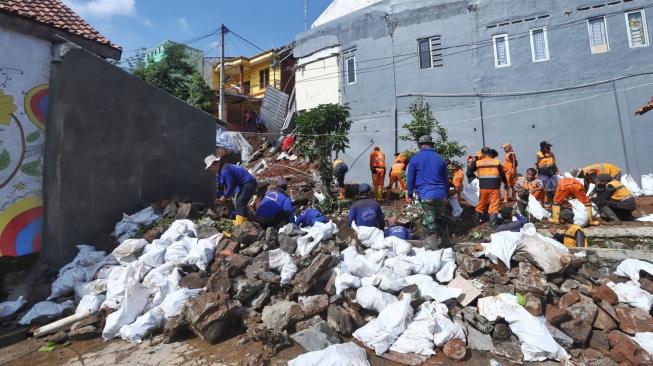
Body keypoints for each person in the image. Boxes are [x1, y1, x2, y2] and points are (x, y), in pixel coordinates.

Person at [407, 135, 450, 248]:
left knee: (429, 222)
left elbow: (410, 178)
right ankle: (446, 244)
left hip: (426, 195)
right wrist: (445, 193)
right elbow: (446, 178)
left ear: (420, 145)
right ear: (431, 145)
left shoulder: (415, 158)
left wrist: (410, 194)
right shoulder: (439, 158)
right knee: (442, 219)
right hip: (440, 195)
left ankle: (432, 248)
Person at [205, 155, 257, 226]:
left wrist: (224, 196)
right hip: (243, 185)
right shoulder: (220, 173)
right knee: (239, 203)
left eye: (211, 167)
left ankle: (239, 225)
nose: (211, 169)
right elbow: (220, 187)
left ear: (216, 163)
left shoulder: (225, 170)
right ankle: (248, 222)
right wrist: (218, 197)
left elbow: (230, 186)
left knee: (240, 202)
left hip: (249, 183)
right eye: (210, 168)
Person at [468, 147, 507, 228]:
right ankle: (493, 226)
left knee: (481, 204)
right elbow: (502, 174)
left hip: (483, 187)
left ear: (482, 153)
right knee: (494, 205)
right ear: (490, 153)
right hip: (494, 187)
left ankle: (475, 224)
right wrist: (505, 183)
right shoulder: (496, 162)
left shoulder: (479, 162)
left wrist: (474, 159)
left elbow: (470, 170)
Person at [535, 141, 558, 206]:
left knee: (554, 188)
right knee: (546, 189)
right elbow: (536, 164)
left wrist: (557, 170)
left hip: (552, 173)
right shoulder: (539, 154)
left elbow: (554, 163)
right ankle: (548, 202)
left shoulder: (551, 153)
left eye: (549, 147)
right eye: (547, 147)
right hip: (544, 174)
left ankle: (554, 201)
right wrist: (536, 174)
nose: (549, 148)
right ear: (543, 147)